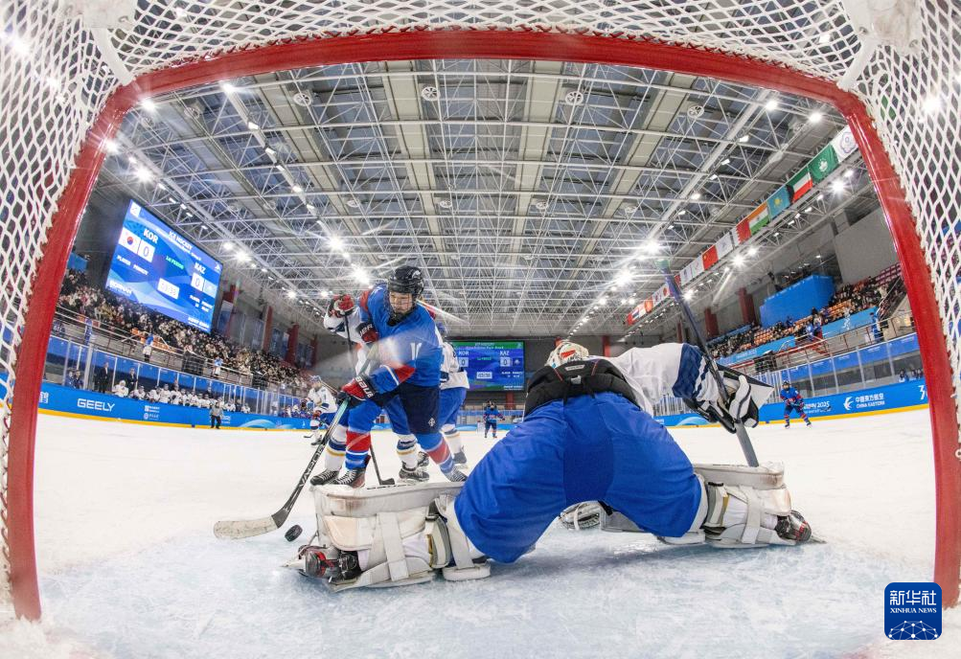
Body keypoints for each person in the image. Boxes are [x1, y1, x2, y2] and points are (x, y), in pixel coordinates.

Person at [301, 341, 811, 590]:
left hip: (544, 440)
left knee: (466, 533)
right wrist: (721, 390)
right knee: (692, 511)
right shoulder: (623, 364)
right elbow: (680, 359)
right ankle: (768, 520)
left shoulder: (548, 384)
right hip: (622, 433)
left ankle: (363, 556)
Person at [310, 265, 464, 487]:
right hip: (384, 370)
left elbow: (400, 370)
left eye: (404, 299)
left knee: (426, 435)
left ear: (416, 297)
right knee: (359, 414)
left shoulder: (421, 327)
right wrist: (365, 325)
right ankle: (355, 472)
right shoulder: (379, 296)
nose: (397, 303)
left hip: (418, 380)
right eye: (393, 296)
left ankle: (450, 470)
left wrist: (359, 387)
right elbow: (364, 300)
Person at [438, 326, 469, 465]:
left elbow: (441, 377)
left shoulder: (442, 349)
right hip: (456, 388)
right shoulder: (446, 346)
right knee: (448, 425)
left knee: (431, 426)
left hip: (449, 389)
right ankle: (459, 455)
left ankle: (423, 457)